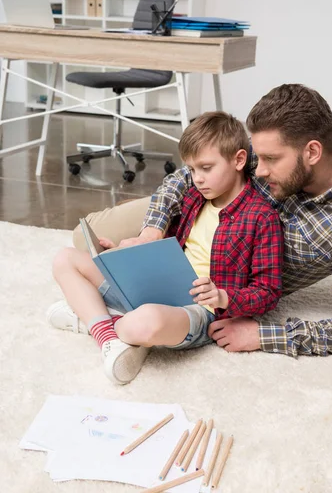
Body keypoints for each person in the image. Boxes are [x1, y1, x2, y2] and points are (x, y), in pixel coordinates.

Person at [73, 84, 332, 358]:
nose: (258, 169)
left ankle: (104, 314)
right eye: (256, 156)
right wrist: (152, 232)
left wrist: (264, 335)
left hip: (224, 282)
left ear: (312, 152)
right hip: (196, 215)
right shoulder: (266, 148)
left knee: (119, 291)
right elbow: (184, 178)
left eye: (270, 161)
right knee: (82, 239)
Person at [48, 112, 283, 384]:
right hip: (155, 287)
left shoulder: (262, 217)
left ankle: (94, 317)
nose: (197, 179)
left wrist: (222, 297)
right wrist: (128, 258)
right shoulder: (195, 197)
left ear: (239, 160)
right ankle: (110, 335)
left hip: (200, 309)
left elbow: (268, 291)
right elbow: (169, 244)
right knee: (65, 258)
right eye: (192, 170)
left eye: (206, 168)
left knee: (146, 321)